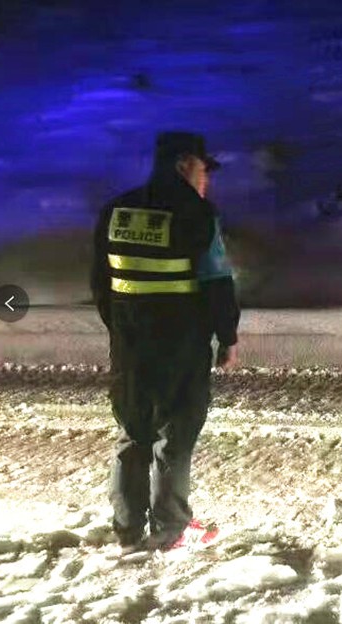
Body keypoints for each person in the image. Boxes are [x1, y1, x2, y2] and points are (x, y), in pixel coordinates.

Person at [90, 131, 240, 552]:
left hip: (129, 342)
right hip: (180, 342)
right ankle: (171, 529)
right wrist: (227, 337)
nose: (206, 178)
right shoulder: (197, 214)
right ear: (184, 165)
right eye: (203, 168)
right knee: (175, 433)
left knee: (133, 429)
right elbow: (217, 281)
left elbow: (101, 281)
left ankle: (127, 528)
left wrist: (121, 327)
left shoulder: (116, 210)